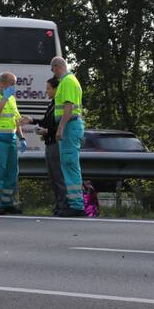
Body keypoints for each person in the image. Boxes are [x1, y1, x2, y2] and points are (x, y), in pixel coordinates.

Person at [0, 72, 26, 215]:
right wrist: (5, 98)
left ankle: (7, 203)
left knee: (12, 173)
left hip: (11, 141)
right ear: (2, 83)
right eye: (11, 83)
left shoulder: (12, 99)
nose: (14, 87)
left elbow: (16, 120)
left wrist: (22, 138)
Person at [51, 56, 86, 216]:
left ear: (58, 67)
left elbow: (68, 106)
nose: (54, 73)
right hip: (71, 126)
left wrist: (61, 128)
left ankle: (76, 205)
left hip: (70, 126)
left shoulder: (68, 81)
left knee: (70, 164)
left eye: (53, 69)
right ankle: (73, 203)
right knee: (68, 164)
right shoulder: (70, 81)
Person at [34, 77, 69, 215]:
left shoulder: (58, 105)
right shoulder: (52, 104)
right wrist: (32, 120)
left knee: (58, 176)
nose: (46, 91)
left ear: (55, 89)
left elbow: (58, 125)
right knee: (53, 176)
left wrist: (47, 131)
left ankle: (64, 205)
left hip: (56, 144)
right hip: (49, 143)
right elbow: (47, 122)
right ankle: (59, 205)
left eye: (48, 88)